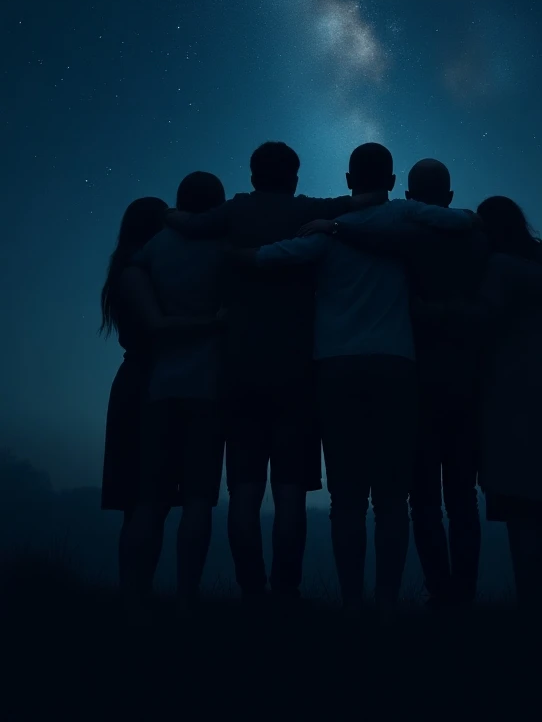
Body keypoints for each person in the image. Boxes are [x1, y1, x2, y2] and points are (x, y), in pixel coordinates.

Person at [240, 144, 476, 611]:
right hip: (395, 366)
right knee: (392, 497)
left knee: (346, 497)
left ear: (349, 180)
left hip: (335, 368)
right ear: (392, 181)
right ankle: (387, 601)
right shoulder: (408, 217)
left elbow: (271, 257)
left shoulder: (325, 234)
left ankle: (352, 602)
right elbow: (465, 220)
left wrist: (229, 253)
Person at [165, 142, 386, 606]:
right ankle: (286, 590)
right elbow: (361, 202)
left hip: (239, 368)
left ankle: (251, 590)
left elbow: (186, 223)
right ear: (295, 176)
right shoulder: (306, 211)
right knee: (290, 495)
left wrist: (157, 213)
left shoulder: (234, 211)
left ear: (251, 174)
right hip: (297, 372)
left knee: (244, 493)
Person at [303, 159, 488, 608]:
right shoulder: (472, 237)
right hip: (463, 383)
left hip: (415, 382)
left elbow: (383, 238)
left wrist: (335, 228)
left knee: (412, 499)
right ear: (447, 194)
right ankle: (457, 598)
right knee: (459, 497)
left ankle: (429, 592)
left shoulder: (406, 233)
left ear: (405, 193)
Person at [120, 172, 228, 611]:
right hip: (209, 386)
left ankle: (133, 598)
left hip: (161, 387)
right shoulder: (226, 249)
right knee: (199, 501)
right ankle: (187, 597)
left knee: (149, 500)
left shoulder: (151, 252)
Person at [472, 196, 542, 609]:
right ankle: (539, 605)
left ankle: (530, 612)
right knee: (536, 510)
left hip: (507, 392)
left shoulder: (495, 268)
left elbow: (482, 323)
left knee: (518, 507)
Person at [101, 196, 170, 585]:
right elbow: (158, 327)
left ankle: (133, 594)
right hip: (149, 384)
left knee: (142, 501)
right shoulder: (142, 270)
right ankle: (135, 596)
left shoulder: (125, 268)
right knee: (149, 499)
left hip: (134, 381)